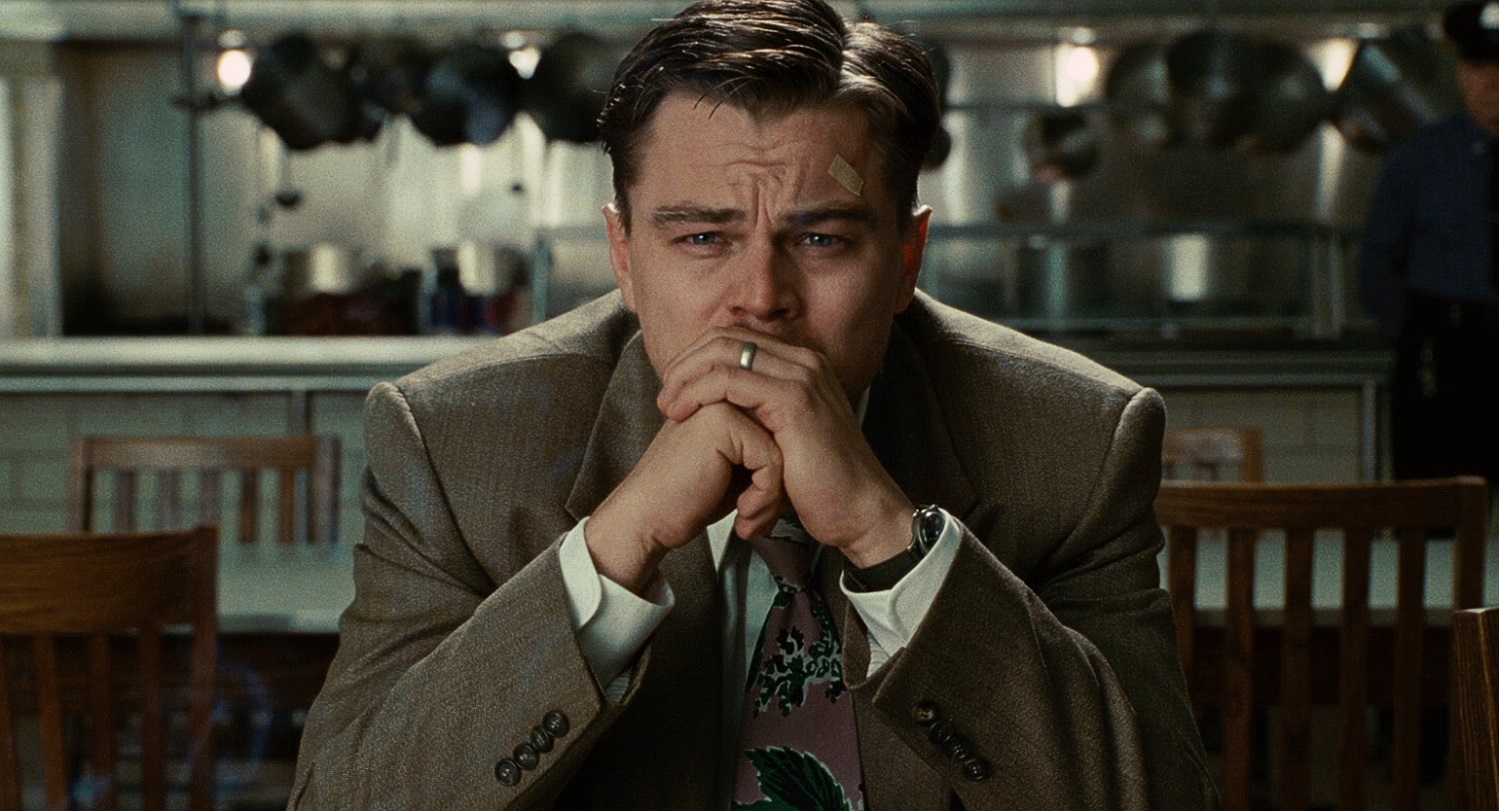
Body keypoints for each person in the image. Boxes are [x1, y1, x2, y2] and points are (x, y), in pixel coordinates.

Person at [287, 1, 1216, 808]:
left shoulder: (1077, 442)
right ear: (623, 258)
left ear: (906, 259)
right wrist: (616, 548)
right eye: (702, 237)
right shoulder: (453, 443)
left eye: (819, 239)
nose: (760, 299)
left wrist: (890, 537)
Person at [1358, 0, 1499, 490]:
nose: (1493, 83)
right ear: (1461, 73)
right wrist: (1417, 339)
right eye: (1479, 67)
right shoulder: (1420, 159)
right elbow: (1378, 261)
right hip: (1443, 350)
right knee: (1432, 505)